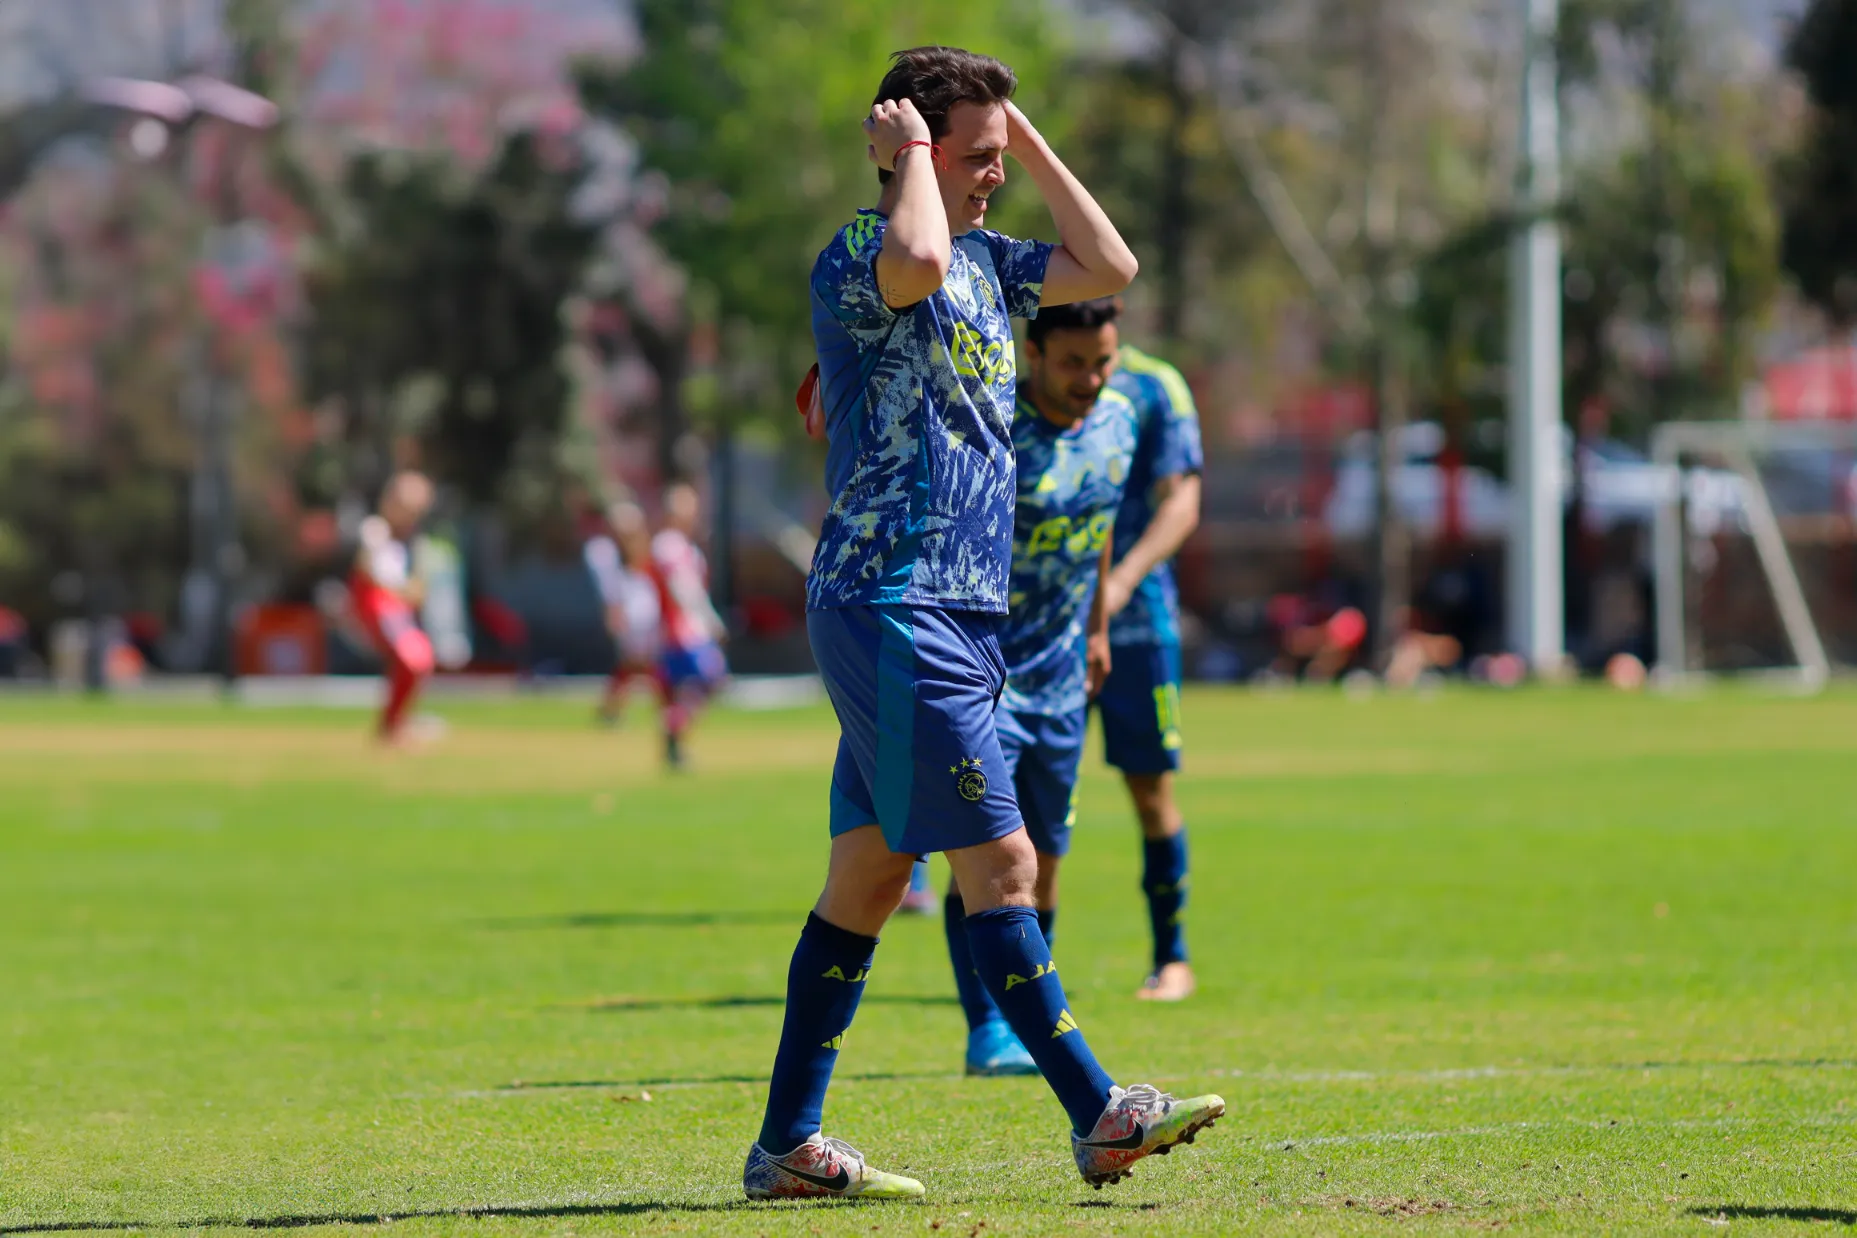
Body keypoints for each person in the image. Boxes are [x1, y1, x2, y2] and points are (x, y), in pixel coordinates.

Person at [745, 46, 1221, 1204]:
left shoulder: (997, 264)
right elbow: (913, 258)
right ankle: (1099, 1112)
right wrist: (915, 150)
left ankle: (787, 1147)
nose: (995, 176)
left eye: (1002, 157)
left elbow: (1111, 262)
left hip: (956, 613)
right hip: (893, 598)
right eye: (977, 156)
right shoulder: (863, 254)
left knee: (868, 877)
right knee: (1005, 864)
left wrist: (1022, 136)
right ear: (906, 144)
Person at [941, 296, 1139, 1078]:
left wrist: (1096, 629)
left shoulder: (1119, 421)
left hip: (1061, 678)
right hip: (984, 673)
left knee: (1046, 859)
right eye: (1072, 363)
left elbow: (1100, 526)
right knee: (988, 860)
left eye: (1102, 362)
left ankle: (1033, 1020)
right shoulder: (991, 428)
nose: (1089, 378)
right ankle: (988, 1029)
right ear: (1033, 355)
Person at [1093, 341, 1205, 1001]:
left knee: (1150, 793)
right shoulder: (1011, 372)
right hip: (1038, 630)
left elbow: (1181, 503)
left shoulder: (1154, 386)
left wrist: (1120, 582)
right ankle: (1017, 976)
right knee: (1015, 801)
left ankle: (1172, 957)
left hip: (1138, 626)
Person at [349, 471, 436, 745]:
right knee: (412, 659)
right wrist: (402, 590)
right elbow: (368, 568)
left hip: (396, 610)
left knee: (418, 662)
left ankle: (395, 724)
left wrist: (410, 592)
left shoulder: (414, 542)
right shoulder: (376, 530)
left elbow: (419, 589)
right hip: (378, 607)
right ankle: (393, 726)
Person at [651, 482, 728, 769]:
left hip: (678, 630)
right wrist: (710, 621)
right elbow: (683, 589)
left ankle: (674, 740)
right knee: (711, 677)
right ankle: (673, 731)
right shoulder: (670, 545)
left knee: (679, 691)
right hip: (682, 631)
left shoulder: (682, 546)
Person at [583, 501, 663, 726]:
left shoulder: (645, 550)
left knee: (640, 667)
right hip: (632, 619)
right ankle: (663, 708)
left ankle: (612, 710)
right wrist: (614, 616)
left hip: (647, 617)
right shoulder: (606, 554)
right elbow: (611, 592)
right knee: (638, 665)